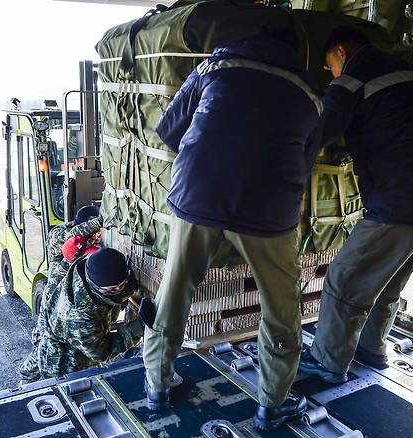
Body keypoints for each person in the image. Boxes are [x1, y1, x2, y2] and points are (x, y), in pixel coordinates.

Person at [141, 29, 323, 431]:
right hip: (268, 209)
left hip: (198, 194)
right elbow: (306, 163)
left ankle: (156, 385)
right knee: (280, 307)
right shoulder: (311, 93)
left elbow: (169, 130)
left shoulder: (214, 66)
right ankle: (271, 405)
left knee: (175, 289)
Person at [299, 27, 413, 382]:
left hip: (401, 203)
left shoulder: (354, 76)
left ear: (341, 53)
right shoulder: (404, 71)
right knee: (387, 281)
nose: (332, 75)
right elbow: (392, 125)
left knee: (345, 278)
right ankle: (370, 348)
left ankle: (327, 363)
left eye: (330, 67)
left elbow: (318, 129)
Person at [20, 248, 144, 383]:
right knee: (79, 393)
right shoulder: (79, 318)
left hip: (54, 331)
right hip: (65, 366)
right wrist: (140, 326)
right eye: (113, 289)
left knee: (29, 371)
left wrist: (126, 286)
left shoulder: (89, 266)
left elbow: (112, 279)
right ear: (97, 287)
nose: (120, 288)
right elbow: (103, 352)